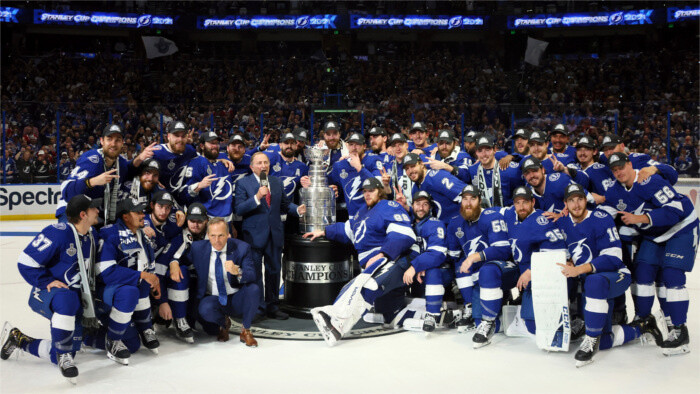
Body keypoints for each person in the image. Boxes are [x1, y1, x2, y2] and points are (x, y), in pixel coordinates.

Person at [602, 152, 698, 356]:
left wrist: (640, 218)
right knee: (642, 273)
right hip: (653, 234)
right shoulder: (613, 191)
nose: (619, 172)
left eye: (621, 166)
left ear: (629, 164)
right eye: (614, 169)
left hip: (681, 227)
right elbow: (604, 214)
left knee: (672, 275)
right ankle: (644, 320)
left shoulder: (649, 180)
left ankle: (680, 330)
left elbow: (675, 210)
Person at [557, 183, 662, 367]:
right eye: (571, 201)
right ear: (566, 204)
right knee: (604, 342)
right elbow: (566, 250)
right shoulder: (563, 222)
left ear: (585, 200)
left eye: (580, 199)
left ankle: (590, 338)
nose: (576, 205)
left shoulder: (600, 218)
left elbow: (613, 257)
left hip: (616, 276)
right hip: (591, 282)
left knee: (594, 281)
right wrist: (568, 261)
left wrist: (579, 269)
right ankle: (643, 327)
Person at [1, 195, 101, 383]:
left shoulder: (91, 235)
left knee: (64, 352)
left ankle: (19, 340)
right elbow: (25, 261)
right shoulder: (59, 232)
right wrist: (45, 281)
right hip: (50, 295)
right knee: (68, 299)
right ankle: (64, 354)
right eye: (93, 208)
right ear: (83, 214)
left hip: (76, 300)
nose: (97, 211)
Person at [304, 177, 416, 346]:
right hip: (373, 264)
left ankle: (337, 323)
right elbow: (346, 230)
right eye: (364, 192)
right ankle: (335, 320)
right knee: (354, 287)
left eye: (371, 190)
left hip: (391, 258)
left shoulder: (388, 206)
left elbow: (405, 234)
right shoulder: (361, 212)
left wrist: (383, 254)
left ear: (380, 191)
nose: (367, 194)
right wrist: (324, 232)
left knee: (368, 285)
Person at [234, 152, 306, 320]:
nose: (263, 165)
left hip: (275, 234)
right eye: (259, 163)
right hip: (253, 235)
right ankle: (258, 307)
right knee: (256, 273)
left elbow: (285, 205)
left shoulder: (276, 181)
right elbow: (239, 209)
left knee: (274, 271)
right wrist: (257, 197)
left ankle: (273, 306)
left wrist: (297, 210)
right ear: (252, 166)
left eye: (266, 162)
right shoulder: (243, 183)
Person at [447, 185, 516, 347]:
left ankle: (490, 319)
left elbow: (503, 249)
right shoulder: (456, 223)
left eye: (473, 198)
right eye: (465, 199)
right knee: (460, 266)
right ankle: (473, 308)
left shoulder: (491, 216)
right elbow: (454, 255)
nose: (468, 203)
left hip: (504, 269)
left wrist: (473, 257)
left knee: (487, 270)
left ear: (480, 200)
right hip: (481, 274)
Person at [97, 197, 162, 360]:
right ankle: (103, 339)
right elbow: (107, 272)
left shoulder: (142, 234)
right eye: (138, 212)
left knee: (141, 283)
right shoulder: (110, 235)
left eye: (143, 211)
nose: (143, 215)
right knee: (133, 288)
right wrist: (142, 275)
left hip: (127, 292)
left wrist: (153, 279)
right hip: (106, 293)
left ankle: (145, 327)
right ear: (125, 217)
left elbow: (148, 264)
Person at [184, 218, 260, 346]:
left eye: (221, 235)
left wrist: (238, 271)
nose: (217, 240)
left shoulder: (242, 248)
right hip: (214, 299)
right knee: (205, 310)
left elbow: (252, 274)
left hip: (236, 297)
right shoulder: (198, 248)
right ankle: (224, 324)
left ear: (228, 235)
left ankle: (246, 330)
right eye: (213, 236)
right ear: (208, 235)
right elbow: (182, 260)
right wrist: (174, 264)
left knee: (253, 289)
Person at [56, 124, 152, 225]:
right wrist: (92, 181)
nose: (113, 144)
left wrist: (140, 158)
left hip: (95, 213)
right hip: (72, 211)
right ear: (102, 141)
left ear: (122, 143)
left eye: (118, 140)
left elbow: (129, 169)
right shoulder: (92, 160)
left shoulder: (120, 163)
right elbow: (66, 191)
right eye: (109, 139)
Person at [507, 186, 567, 335]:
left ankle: (569, 318)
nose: (521, 207)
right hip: (520, 272)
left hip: (541, 276)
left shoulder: (542, 219)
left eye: (525, 202)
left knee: (535, 326)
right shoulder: (510, 215)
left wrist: (532, 271)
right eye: (517, 202)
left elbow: (557, 253)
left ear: (533, 202)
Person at [143, 191, 193, 343]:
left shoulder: (173, 222)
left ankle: (179, 317)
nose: (164, 211)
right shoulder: (142, 224)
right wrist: (162, 301)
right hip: (142, 272)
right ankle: (146, 322)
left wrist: (174, 262)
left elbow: (173, 244)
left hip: (161, 268)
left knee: (181, 272)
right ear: (152, 206)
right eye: (160, 206)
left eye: (167, 207)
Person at [398, 191, 447, 332]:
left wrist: (416, 266)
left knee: (432, 270)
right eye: (418, 204)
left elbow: (437, 254)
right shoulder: (409, 223)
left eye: (425, 204)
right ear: (412, 205)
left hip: (441, 269)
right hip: (418, 272)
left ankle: (432, 314)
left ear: (430, 207)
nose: (421, 208)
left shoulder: (434, 224)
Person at [403, 152, 466, 224]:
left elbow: (465, 194)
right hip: (440, 226)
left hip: (458, 223)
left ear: (421, 165)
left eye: (413, 166)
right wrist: (406, 207)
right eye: (407, 169)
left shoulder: (437, 177)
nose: (410, 171)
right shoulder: (415, 187)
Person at [184, 131, 233, 220]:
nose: (215, 146)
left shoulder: (223, 162)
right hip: (208, 219)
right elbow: (187, 194)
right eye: (211, 143)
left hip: (227, 219)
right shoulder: (197, 163)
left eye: (217, 143)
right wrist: (199, 186)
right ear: (202, 146)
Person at [521, 156, 593, 216]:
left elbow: (590, 199)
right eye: (527, 173)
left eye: (535, 171)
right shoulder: (528, 192)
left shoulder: (559, 181)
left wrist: (562, 216)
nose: (532, 176)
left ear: (543, 170)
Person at [468, 135, 523, 208]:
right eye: (480, 151)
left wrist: (513, 156)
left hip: (505, 215)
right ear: (476, 153)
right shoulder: (472, 170)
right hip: (483, 215)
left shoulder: (509, 169)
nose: (484, 154)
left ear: (494, 150)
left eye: (487, 150)